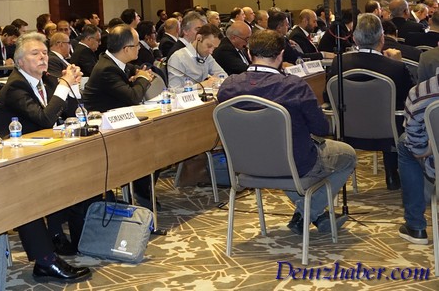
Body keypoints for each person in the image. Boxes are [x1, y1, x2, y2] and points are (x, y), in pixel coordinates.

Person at [217, 30, 357, 235]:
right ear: (281, 55)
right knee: (348, 155)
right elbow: (321, 129)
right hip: (292, 163)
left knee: (280, 150)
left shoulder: (228, 86)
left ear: (248, 53)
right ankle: (309, 212)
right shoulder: (293, 86)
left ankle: (309, 213)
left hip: (246, 165)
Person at [0, 34, 91, 282]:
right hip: (8, 161)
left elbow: (73, 113)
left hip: (38, 153)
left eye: (44, 52)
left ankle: (64, 236)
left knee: (81, 171)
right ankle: (47, 257)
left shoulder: (46, 81)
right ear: (19, 62)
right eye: (35, 53)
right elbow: (45, 119)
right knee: (35, 191)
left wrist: (73, 87)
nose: (43, 57)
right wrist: (63, 86)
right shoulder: (16, 86)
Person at [326, 13, 414, 190]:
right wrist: (398, 62)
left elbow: (328, 97)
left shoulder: (338, 63)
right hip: (388, 134)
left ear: (355, 39)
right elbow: (410, 97)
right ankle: (391, 173)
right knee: (395, 112)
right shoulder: (394, 67)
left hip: (347, 131)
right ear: (382, 38)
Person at [396, 73, 439, 245]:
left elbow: (416, 147)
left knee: (404, 144)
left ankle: (416, 226)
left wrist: (431, 147)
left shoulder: (421, 92)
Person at [83, 24, 154, 113]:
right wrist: (142, 77)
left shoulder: (117, 62)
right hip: (101, 118)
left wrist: (140, 76)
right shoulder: (107, 70)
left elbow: (141, 70)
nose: (139, 48)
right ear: (126, 49)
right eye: (137, 44)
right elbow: (134, 98)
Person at [166, 24, 226, 89]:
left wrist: (217, 81)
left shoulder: (207, 56)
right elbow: (174, 90)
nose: (211, 52)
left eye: (214, 48)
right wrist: (200, 86)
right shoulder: (178, 58)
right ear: (199, 38)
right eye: (209, 46)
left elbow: (222, 75)